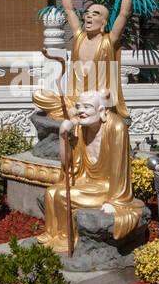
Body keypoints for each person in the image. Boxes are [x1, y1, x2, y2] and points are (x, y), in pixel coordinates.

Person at [37, 90, 143, 254]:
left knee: (63, 196)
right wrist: (62, 136)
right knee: (51, 192)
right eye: (79, 107)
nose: (81, 111)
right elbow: (67, 164)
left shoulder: (116, 127)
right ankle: (52, 234)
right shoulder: (81, 127)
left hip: (108, 188)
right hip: (86, 182)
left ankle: (66, 238)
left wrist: (114, 202)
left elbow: (119, 170)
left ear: (101, 111)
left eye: (87, 107)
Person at [33, 0, 137, 123]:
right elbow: (68, 10)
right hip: (77, 98)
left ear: (103, 23)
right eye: (87, 13)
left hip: (99, 99)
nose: (88, 15)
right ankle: (77, 111)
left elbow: (124, 13)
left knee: (102, 96)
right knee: (39, 96)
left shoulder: (108, 41)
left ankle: (79, 112)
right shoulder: (80, 37)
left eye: (95, 14)